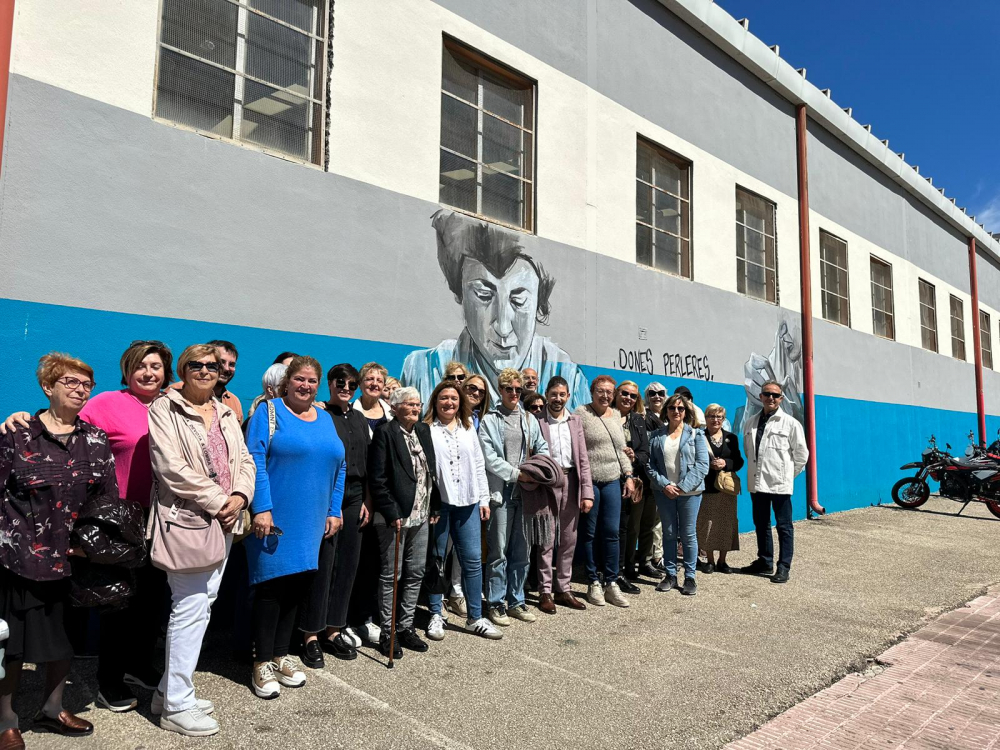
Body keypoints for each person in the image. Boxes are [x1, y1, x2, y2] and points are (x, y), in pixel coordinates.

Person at [0, 341, 175, 712]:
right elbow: (54, 435)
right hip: (73, 536)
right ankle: (98, 684)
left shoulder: (168, 407)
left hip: (151, 522)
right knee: (109, 604)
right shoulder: (101, 405)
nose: (149, 372)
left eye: (157, 366)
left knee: (144, 604)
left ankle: (128, 672)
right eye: (141, 365)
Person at [0, 354, 118, 746]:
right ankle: (6, 720)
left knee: (64, 641)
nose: (81, 389)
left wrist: (91, 545)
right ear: (48, 387)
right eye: (71, 382)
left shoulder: (96, 441)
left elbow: (106, 503)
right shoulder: (17, 434)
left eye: (87, 384)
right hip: (22, 560)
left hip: (73, 562)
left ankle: (52, 709)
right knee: (13, 648)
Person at [148, 344, 255, 737]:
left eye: (213, 366)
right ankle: (176, 706)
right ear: (183, 368)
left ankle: (167, 691)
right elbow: (169, 467)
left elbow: (244, 460)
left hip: (224, 521)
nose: (207, 371)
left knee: (203, 603)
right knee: (189, 607)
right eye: (198, 365)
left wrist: (241, 497)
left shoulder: (225, 411)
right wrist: (218, 500)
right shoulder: (165, 408)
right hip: (189, 520)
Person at [401, 210, 590, 410]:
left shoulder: (568, 374)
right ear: (460, 295)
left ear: (538, 303)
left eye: (519, 300)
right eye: (483, 295)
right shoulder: (422, 370)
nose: (503, 327)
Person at [244, 356, 346, 699]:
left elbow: (340, 466)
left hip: (313, 519)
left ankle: (279, 655)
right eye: (299, 379)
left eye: (311, 381)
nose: (305, 386)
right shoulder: (269, 412)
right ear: (287, 382)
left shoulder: (325, 419)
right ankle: (260, 663)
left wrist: (334, 510)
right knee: (272, 588)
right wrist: (262, 508)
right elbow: (254, 460)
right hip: (275, 517)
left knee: (298, 585)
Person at [299, 364, 370, 666]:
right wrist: (331, 502)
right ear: (330, 383)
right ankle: (310, 634)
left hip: (357, 497)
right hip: (329, 495)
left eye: (352, 384)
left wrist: (367, 499)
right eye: (340, 382)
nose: (346, 387)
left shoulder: (359, 418)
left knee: (347, 566)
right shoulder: (320, 415)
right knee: (324, 565)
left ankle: (333, 629)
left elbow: (368, 463)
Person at [423, 382, 502, 640]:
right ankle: (436, 613)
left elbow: (479, 465)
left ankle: (475, 618)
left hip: (467, 503)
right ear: (435, 401)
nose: (449, 403)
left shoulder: (468, 428)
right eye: (443, 398)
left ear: (461, 403)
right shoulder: (428, 430)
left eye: (453, 399)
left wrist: (483, 499)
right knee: (437, 560)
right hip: (440, 506)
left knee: (471, 561)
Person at [367, 387, 440, 658]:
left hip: (421, 513)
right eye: (409, 404)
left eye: (417, 404)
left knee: (416, 571)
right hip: (394, 517)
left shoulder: (423, 431)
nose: (414, 409)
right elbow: (378, 479)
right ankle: (388, 631)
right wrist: (391, 511)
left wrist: (435, 504)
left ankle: (406, 626)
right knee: (391, 574)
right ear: (395, 407)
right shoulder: (386, 433)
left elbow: (430, 470)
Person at [480, 368, 549, 626]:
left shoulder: (530, 420)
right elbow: (489, 458)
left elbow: (542, 447)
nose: (514, 393)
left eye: (518, 390)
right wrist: (516, 473)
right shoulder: (490, 420)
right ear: (501, 390)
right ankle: (496, 603)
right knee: (498, 550)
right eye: (509, 389)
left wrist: (535, 469)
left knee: (523, 550)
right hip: (502, 491)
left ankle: (517, 601)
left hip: (528, 492)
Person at [574, 376, 635, 608]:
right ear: (592, 391)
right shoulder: (581, 414)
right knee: (589, 533)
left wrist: (628, 476)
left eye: (610, 392)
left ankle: (611, 582)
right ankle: (592, 581)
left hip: (612, 481)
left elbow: (621, 450)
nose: (606, 396)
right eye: (601, 391)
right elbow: (578, 451)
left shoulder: (616, 415)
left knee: (611, 532)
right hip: (590, 482)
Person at [534, 376, 593, 612]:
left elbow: (583, 459)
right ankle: (545, 591)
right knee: (546, 539)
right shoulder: (537, 421)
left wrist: (587, 492)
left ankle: (563, 589)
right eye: (553, 394)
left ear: (568, 396)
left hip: (571, 481)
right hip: (546, 483)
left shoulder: (575, 421)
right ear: (546, 394)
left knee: (569, 539)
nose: (557, 399)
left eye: (562, 395)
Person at [741, 379, 808, 584]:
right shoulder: (751, 422)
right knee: (761, 523)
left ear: (781, 399)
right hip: (757, 483)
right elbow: (748, 451)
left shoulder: (790, 423)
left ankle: (783, 566)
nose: (771, 398)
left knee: (784, 526)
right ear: (760, 396)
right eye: (767, 394)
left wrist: (786, 476)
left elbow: (801, 456)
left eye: (775, 395)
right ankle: (765, 560)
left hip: (780, 486)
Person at [647, 394, 709, 596]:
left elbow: (702, 466)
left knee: (688, 534)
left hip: (690, 493)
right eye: (672, 408)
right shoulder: (656, 436)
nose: (676, 411)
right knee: (670, 533)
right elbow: (650, 465)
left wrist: (681, 487)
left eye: (680, 409)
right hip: (664, 492)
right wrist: (665, 485)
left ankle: (690, 577)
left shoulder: (696, 435)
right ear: (666, 411)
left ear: (686, 412)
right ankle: (671, 574)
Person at [698, 404, 744, 574]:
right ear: (706, 417)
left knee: (726, 523)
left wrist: (726, 463)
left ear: (723, 419)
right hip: (707, 487)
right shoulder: (699, 437)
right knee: (708, 523)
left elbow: (739, 461)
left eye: (719, 417)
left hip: (726, 488)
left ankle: (722, 561)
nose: (715, 420)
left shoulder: (731, 438)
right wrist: (709, 466)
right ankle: (709, 561)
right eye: (712, 416)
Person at [628, 382, 667, 579]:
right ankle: (636, 562)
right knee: (638, 523)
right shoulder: (641, 418)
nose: (657, 396)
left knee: (655, 522)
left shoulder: (671, 416)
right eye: (652, 393)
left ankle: (651, 558)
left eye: (661, 393)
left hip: (664, 479)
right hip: (644, 477)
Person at [613, 380, 648, 596]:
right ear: (617, 394)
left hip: (627, 480)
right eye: (624, 393)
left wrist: (635, 457)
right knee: (603, 527)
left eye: (633, 395)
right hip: (605, 478)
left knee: (623, 528)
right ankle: (601, 572)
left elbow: (645, 452)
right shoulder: (606, 415)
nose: (628, 398)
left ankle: (620, 571)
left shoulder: (638, 421)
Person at [167, 339, 243, 423]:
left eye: (231, 364)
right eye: (222, 362)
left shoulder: (234, 401)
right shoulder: (174, 392)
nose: (226, 368)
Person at [354, 362, 393, 435]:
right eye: (369, 379)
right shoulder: (349, 411)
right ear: (359, 383)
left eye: (379, 380)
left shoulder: (393, 413)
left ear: (384, 386)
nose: (375, 383)